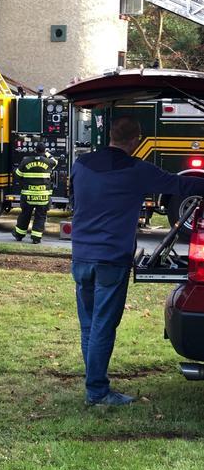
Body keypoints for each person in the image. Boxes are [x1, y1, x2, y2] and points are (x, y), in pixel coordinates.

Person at [70, 115, 204, 407]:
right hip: (111, 259)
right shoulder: (136, 169)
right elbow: (179, 186)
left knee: (89, 325)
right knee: (104, 325)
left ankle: (94, 383)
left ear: (110, 137)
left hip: (80, 256)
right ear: (135, 141)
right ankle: (97, 391)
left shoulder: (80, 165)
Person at [11, 141, 58, 244]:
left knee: (25, 215)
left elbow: (18, 175)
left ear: (35, 150)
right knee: (40, 216)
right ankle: (36, 238)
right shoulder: (48, 162)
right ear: (44, 151)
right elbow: (55, 161)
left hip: (28, 196)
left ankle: (19, 235)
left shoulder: (26, 161)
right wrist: (47, 154)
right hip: (43, 197)